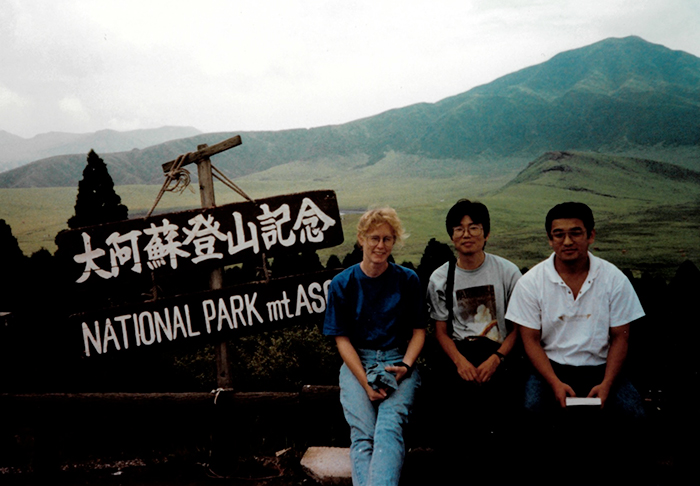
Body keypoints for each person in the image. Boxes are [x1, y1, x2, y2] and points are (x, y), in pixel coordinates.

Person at [505, 202, 646, 479]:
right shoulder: (532, 282)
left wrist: (606, 384)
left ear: (591, 235)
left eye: (576, 233)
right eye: (559, 234)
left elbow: (621, 338)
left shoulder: (613, 279)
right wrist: (554, 383)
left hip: (602, 368)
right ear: (550, 239)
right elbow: (530, 340)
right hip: (551, 368)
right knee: (531, 411)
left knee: (633, 414)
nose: (567, 241)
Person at [323, 207, 425, 486]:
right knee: (363, 433)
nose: (381, 245)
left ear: (394, 242)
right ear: (361, 239)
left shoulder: (407, 280)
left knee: (389, 429)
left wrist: (405, 366)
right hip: (358, 361)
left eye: (387, 239)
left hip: (398, 359)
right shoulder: (343, 284)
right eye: (374, 238)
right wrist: (364, 382)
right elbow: (341, 340)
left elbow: (419, 332)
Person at [425, 199, 522, 473]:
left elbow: (518, 330)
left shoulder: (507, 272)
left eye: (474, 227)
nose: (466, 234)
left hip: (500, 353)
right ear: (451, 236)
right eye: (458, 229)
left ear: (487, 233)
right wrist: (459, 362)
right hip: (459, 353)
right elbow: (441, 332)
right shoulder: (441, 278)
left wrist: (497, 359)